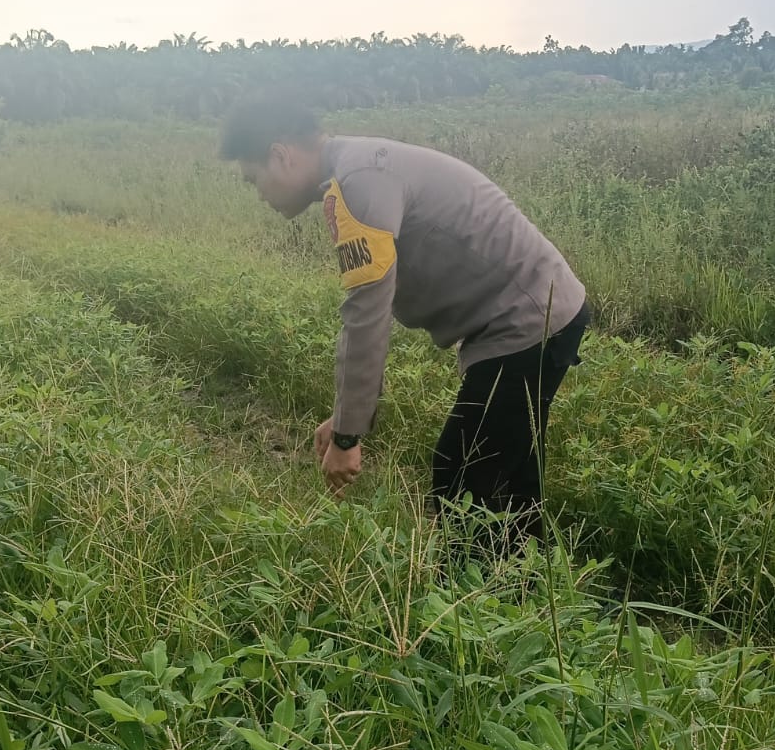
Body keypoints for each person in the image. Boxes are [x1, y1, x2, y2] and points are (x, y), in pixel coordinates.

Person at [219, 97, 589, 545]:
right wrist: (343, 418)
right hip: (543, 310)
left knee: (463, 478)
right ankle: (525, 594)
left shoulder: (358, 182)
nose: (258, 193)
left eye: (253, 179)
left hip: (526, 321)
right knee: (507, 476)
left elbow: (367, 313)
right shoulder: (355, 169)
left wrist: (347, 434)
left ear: (281, 155)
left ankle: (473, 606)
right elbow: (371, 308)